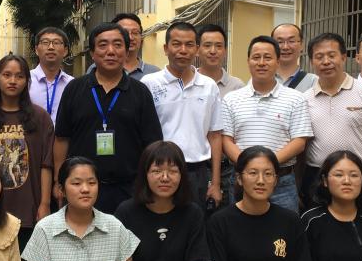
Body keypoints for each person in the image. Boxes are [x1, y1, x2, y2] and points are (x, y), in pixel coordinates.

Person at [53, 23, 163, 214]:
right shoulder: (74, 89)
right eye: (103, 45)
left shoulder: (140, 92)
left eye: (118, 45)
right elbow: (62, 139)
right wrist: (58, 181)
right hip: (83, 189)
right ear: (92, 53)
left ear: (126, 51)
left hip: (130, 188)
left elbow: (152, 144)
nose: (110, 51)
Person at [0, 54, 55, 261]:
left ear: (27, 81)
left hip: (28, 210)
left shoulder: (40, 117)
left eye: (19, 76)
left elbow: (47, 164)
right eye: (7, 75)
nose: (13, 80)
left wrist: (44, 204)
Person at [300, 33, 362, 214]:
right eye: (319, 57)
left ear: (343, 57)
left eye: (331, 55)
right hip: (318, 177)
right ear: (311, 62)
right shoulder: (304, 99)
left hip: (361, 176)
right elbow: (303, 146)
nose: (326, 61)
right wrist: (298, 185)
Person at [221, 36, 312, 211]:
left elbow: (299, 142)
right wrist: (250, 168)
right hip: (242, 180)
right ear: (248, 61)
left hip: (282, 182)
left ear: (277, 61)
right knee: (240, 226)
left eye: (268, 58)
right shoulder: (231, 99)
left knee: (284, 227)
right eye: (256, 57)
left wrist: (266, 166)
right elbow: (226, 140)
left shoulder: (296, 98)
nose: (261, 63)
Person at [141, 21, 223, 210]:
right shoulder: (149, 83)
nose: (183, 50)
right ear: (166, 48)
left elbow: (215, 135)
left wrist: (216, 183)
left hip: (197, 171)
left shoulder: (209, 86)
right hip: (159, 169)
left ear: (197, 49)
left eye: (189, 45)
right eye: (176, 44)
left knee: (194, 222)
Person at [196, 23, 245, 209]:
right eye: (207, 45)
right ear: (197, 49)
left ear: (225, 50)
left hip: (228, 167)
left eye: (218, 46)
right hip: (198, 167)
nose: (213, 51)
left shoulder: (237, 86)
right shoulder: (189, 83)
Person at [29, 27, 74, 124]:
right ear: (36, 50)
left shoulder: (72, 84)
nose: (51, 47)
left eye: (56, 43)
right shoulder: (26, 80)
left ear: (65, 51)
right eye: (45, 42)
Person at [111, 13, 160, 79]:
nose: (130, 37)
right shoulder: (101, 70)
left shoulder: (155, 73)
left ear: (141, 38)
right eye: (124, 32)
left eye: (135, 33)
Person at [272, 23, 317, 92]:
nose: (285, 47)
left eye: (291, 41)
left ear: (302, 45)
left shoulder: (314, 82)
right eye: (280, 42)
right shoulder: (260, 80)